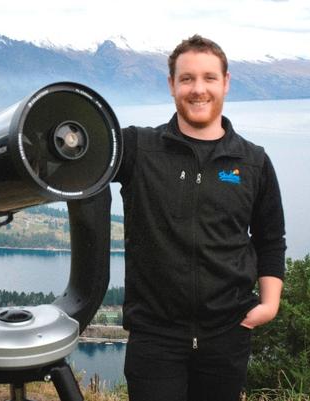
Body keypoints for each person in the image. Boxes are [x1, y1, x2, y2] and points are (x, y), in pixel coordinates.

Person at [113, 34, 286, 401]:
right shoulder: (138, 149)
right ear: (171, 85)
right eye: (187, 78)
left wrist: (269, 306)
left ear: (225, 82)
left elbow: (270, 238)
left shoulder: (253, 162)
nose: (198, 89)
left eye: (209, 77)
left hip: (227, 334)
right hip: (155, 337)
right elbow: (80, 147)